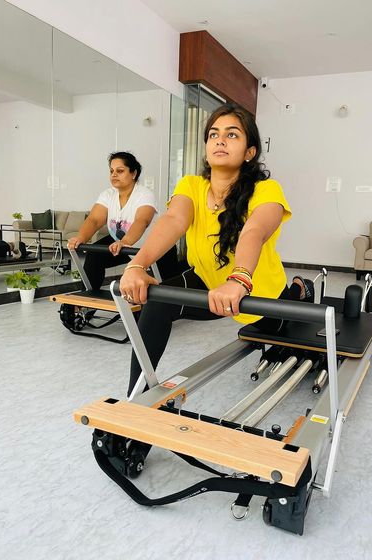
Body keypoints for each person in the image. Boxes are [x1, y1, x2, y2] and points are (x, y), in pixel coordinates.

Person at [119, 103, 314, 395]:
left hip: (257, 289)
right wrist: (137, 265)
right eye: (214, 134)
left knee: (275, 328)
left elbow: (254, 232)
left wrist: (239, 279)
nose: (220, 140)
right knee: (158, 302)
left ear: (249, 152)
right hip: (208, 283)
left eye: (232, 134)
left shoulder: (266, 190)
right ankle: (137, 396)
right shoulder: (191, 185)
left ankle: (300, 288)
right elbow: (174, 220)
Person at [67, 151, 178, 290]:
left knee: (168, 288)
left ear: (133, 174)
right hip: (126, 244)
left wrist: (125, 242)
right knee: (95, 255)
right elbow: (94, 220)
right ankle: (88, 298)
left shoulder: (144, 194)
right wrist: (80, 238)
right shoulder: (108, 195)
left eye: (119, 171)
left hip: (157, 244)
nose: (114, 174)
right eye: (111, 171)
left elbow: (141, 221)